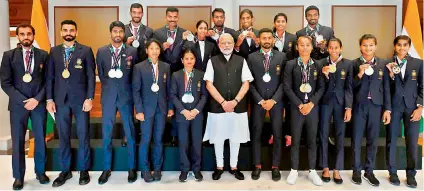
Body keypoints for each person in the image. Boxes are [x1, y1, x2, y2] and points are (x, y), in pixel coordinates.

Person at [0, 24, 50, 190]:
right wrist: (23, 101)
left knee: (40, 141)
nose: (26, 37)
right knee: (18, 142)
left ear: (33, 36)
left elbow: (48, 81)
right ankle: (18, 176)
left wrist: (37, 99)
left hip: (38, 104)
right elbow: (5, 83)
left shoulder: (43, 55)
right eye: (22, 34)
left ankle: (41, 172)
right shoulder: (8, 56)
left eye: (29, 34)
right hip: (17, 106)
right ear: (18, 36)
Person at [47, 20, 96, 187]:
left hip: (81, 100)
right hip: (60, 100)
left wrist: (90, 98)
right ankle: (65, 170)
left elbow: (91, 76)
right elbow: (50, 78)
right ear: (61, 32)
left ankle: (84, 170)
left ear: (76, 32)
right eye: (65, 30)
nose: (69, 32)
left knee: (83, 135)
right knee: (63, 136)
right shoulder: (53, 51)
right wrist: (49, 99)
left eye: (72, 30)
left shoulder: (86, 50)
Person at [203, 33, 253, 181]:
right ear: (219, 44)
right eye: (223, 43)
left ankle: (234, 167)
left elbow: (246, 83)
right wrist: (224, 103)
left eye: (229, 42)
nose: (226, 45)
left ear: (233, 44)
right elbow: (208, 84)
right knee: (218, 138)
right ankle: (219, 167)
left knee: (235, 137)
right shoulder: (212, 61)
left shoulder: (241, 60)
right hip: (218, 107)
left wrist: (235, 101)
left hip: (238, 106)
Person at [96, 21, 139, 184]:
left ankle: (131, 168)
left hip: (126, 97)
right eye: (115, 31)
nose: (118, 34)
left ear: (124, 34)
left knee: (130, 133)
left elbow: (135, 75)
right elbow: (101, 74)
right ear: (110, 33)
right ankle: (106, 169)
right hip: (108, 97)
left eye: (121, 31)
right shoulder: (101, 52)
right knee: (106, 134)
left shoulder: (132, 52)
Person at [283, 36, 325, 186]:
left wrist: (311, 103)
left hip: (313, 108)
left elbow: (321, 87)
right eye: (302, 45)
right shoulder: (290, 64)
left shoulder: (318, 65)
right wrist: (300, 105)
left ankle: (312, 171)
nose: (305, 48)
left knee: (312, 140)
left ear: (312, 47)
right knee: (295, 139)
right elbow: (287, 87)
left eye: (308, 45)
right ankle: (294, 169)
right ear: (297, 47)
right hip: (296, 108)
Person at [351, 34, 391, 187]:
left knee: (372, 140)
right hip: (359, 106)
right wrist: (359, 74)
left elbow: (386, 88)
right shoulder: (354, 64)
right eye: (365, 45)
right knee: (356, 139)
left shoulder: (383, 64)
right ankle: (356, 170)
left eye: (371, 45)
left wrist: (387, 109)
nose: (368, 48)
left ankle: (369, 170)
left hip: (376, 106)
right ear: (360, 47)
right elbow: (350, 87)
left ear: (376, 46)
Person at [132, 39, 174, 182]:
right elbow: (136, 91)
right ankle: (145, 169)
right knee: (145, 139)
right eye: (152, 48)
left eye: (157, 48)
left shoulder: (165, 67)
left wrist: (170, 107)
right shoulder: (139, 67)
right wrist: (138, 110)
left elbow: (169, 89)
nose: (155, 51)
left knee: (158, 140)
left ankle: (157, 169)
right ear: (147, 50)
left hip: (161, 109)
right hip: (145, 110)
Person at [248, 28, 287, 181]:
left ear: (273, 40)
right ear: (258, 40)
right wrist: (259, 99)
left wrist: (274, 100)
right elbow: (249, 82)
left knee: (277, 134)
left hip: (276, 101)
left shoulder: (282, 57)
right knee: (256, 133)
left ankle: (275, 166)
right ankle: (257, 165)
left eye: (269, 38)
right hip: (258, 101)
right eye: (263, 38)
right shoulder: (251, 57)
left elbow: (285, 82)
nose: (266, 40)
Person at [385, 35, 422, 188]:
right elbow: (386, 89)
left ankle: (411, 174)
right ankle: (392, 172)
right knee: (391, 141)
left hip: (412, 107)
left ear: (409, 46)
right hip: (394, 107)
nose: (401, 48)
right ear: (395, 46)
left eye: (405, 45)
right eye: (399, 45)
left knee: (412, 142)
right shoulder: (388, 64)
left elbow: (423, 87)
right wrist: (391, 77)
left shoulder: (419, 63)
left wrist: (420, 107)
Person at [152, 6, 190, 145]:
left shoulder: (185, 33)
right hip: (161, 73)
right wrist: (162, 48)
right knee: (161, 102)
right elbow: (152, 51)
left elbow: (187, 51)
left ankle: (175, 135)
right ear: (166, 17)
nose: (172, 19)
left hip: (179, 73)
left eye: (175, 17)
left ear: (178, 17)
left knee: (177, 103)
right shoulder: (157, 33)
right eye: (170, 16)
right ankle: (159, 135)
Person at [170, 48, 208, 182]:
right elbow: (173, 96)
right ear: (182, 60)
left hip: (197, 115)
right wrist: (184, 111)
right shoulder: (176, 75)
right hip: (182, 115)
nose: (189, 61)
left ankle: (196, 169)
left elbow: (204, 95)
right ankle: (184, 170)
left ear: (195, 60)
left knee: (197, 143)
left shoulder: (201, 75)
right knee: (183, 143)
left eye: (191, 58)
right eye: (186, 59)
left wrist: (196, 110)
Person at [318, 38, 353, 184]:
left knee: (340, 135)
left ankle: (337, 169)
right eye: (331, 48)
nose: (333, 50)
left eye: (336, 47)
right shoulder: (321, 63)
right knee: (323, 134)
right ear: (327, 49)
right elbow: (318, 86)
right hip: (325, 103)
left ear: (341, 48)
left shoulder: (348, 64)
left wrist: (348, 107)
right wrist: (325, 75)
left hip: (340, 104)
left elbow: (349, 87)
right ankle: (325, 167)